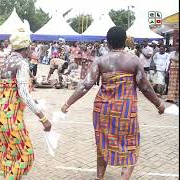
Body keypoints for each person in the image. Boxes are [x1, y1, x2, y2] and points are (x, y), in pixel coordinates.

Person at [61, 26, 165, 180]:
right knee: (130, 143)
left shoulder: (101, 61)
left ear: (108, 43)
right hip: (126, 110)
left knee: (103, 143)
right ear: (125, 41)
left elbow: (85, 85)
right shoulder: (134, 61)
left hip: (103, 110)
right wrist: (159, 104)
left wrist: (67, 103)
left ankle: (99, 177)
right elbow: (145, 86)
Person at [0, 28, 51, 180]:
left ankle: (8, 176)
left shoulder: (6, 61)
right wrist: (43, 118)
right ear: (27, 47)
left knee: (7, 152)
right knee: (26, 155)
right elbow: (23, 94)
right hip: (9, 115)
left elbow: (10, 89)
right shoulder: (22, 63)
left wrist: (33, 101)